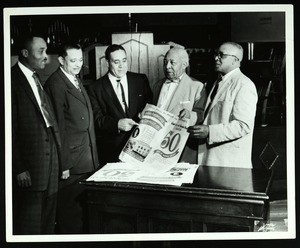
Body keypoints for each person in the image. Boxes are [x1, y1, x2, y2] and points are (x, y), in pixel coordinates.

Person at [44, 42, 99, 233]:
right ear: (61, 60)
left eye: (80, 60)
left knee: (82, 213)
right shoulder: (56, 83)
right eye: (73, 60)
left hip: (86, 156)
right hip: (72, 162)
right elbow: (57, 126)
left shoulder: (75, 78)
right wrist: (64, 163)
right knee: (70, 215)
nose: (78, 64)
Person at [11, 34, 61, 234]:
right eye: (41, 51)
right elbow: (9, 130)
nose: (46, 56)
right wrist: (19, 167)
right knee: (29, 226)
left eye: (46, 51)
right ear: (25, 53)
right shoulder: (11, 81)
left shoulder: (37, 78)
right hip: (30, 168)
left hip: (50, 164)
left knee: (48, 222)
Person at [188, 42, 258, 168]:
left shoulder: (244, 85)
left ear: (235, 60)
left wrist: (210, 131)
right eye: (216, 54)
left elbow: (243, 126)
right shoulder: (218, 81)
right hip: (212, 158)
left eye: (222, 55)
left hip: (230, 162)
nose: (216, 58)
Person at [87, 44, 152, 164]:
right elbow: (97, 119)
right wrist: (116, 124)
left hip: (141, 149)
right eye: (116, 62)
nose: (122, 66)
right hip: (112, 152)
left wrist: (146, 113)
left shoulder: (140, 80)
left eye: (124, 60)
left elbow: (151, 106)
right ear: (107, 62)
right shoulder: (95, 88)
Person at [152, 47, 206, 163]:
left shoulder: (197, 86)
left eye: (172, 62)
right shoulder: (157, 85)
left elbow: (201, 115)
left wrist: (189, 114)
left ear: (184, 64)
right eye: (165, 62)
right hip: (157, 146)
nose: (167, 67)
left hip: (182, 149)